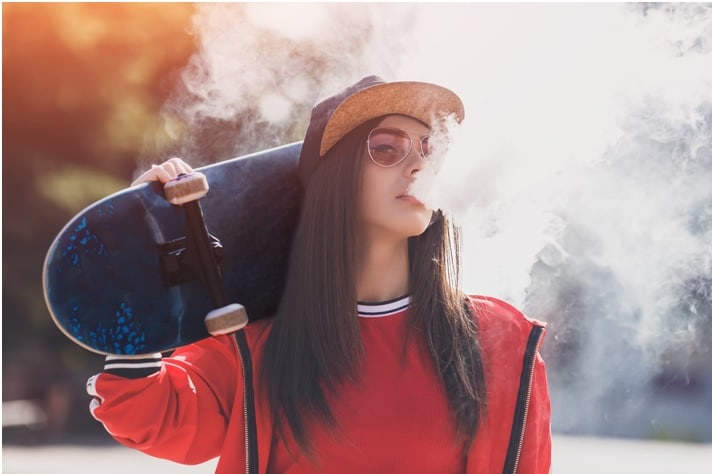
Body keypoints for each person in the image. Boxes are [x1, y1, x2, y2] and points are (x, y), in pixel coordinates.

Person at [86, 75, 551, 473]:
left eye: (429, 150)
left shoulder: (504, 344)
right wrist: (140, 260)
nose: (417, 164)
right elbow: (148, 412)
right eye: (387, 148)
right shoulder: (258, 345)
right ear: (334, 177)